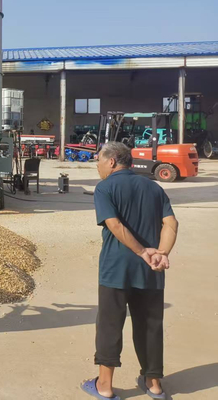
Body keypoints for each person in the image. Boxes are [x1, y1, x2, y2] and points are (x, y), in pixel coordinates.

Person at [81, 142, 178, 400]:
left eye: (99, 161)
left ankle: (104, 386)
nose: (98, 166)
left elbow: (114, 224)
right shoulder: (154, 188)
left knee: (110, 324)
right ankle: (154, 384)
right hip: (151, 270)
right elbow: (171, 223)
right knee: (150, 325)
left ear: (112, 161)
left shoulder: (105, 188)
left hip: (116, 269)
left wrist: (141, 251)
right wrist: (161, 253)